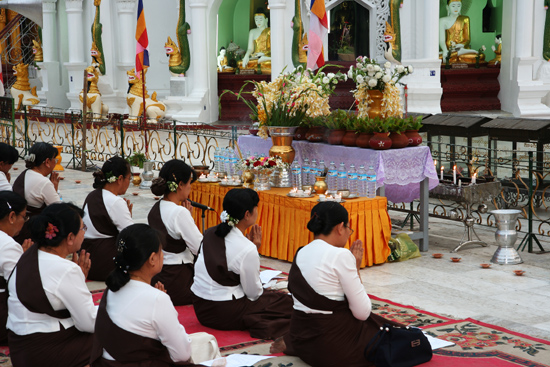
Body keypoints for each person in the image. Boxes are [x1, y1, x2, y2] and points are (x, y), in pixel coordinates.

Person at [272, 202, 402, 367]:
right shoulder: (341, 255)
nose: (349, 233)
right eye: (349, 228)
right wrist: (355, 269)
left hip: (303, 343)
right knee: (401, 339)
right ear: (340, 227)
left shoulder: (301, 252)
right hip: (333, 348)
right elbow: (362, 312)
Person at [90, 224, 204, 367]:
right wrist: (161, 305)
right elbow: (182, 355)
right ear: (152, 259)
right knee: (206, 342)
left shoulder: (111, 289)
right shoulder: (157, 299)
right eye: (161, 251)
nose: (163, 255)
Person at [191, 188, 293, 339]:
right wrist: (253, 251)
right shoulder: (247, 248)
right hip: (224, 313)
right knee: (285, 302)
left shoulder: (210, 232)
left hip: (200, 308)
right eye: (256, 208)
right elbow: (253, 294)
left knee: (273, 298)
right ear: (247, 214)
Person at [7, 203, 96, 367]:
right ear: (70, 238)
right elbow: (88, 324)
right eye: (83, 229)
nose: (85, 233)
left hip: (20, 348)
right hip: (45, 351)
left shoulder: (29, 255)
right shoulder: (66, 269)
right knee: (114, 334)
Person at [148, 159, 202, 305]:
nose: (190, 187)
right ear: (180, 185)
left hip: (158, 277)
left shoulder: (156, 208)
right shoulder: (179, 213)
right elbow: (200, 249)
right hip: (177, 281)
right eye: (189, 183)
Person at [82, 156, 133, 281]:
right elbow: (132, 235)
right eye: (129, 178)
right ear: (120, 179)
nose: (129, 182)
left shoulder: (91, 196)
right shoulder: (115, 202)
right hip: (105, 265)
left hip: (86, 261)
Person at [12, 142, 60, 244]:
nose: (55, 163)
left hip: (18, 228)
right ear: (47, 162)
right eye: (54, 160)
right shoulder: (44, 182)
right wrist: (55, 190)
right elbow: (59, 209)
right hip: (32, 232)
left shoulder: (24, 174)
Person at [0, 191, 30, 344]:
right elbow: (22, 287)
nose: (24, 222)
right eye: (24, 217)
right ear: (11, 217)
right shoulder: (8, 245)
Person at [237, 8, 271, 73]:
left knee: (270, 63)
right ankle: (262, 62)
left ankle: (265, 59)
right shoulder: (252, 32)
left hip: (267, 56)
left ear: (266, 20)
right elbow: (250, 48)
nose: (258, 22)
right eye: (256, 20)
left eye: (261, 19)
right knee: (240, 63)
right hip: (256, 57)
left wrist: (264, 54)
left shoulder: (269, 31)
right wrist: (246, 56)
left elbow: (273, 49)